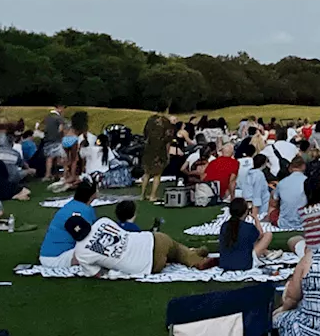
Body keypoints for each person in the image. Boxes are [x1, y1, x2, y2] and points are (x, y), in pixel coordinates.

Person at [68, 214, 212, 277]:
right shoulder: (103, 222)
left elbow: (97, 274)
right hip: (152, 240)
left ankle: (194, 255)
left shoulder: (81, 252)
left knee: (172, 255)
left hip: (149, 266)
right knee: (177, 250)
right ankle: (195, 257)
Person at [39, 180, 98, 266]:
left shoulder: (72, 205)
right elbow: (89, 237)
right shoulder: (85, 210)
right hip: (58, 258)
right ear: (92, 195)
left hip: (48, 256)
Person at [218, 197, 275, 270]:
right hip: (244, 263)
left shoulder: (224, 226)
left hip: (225, 263)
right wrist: (256, 219)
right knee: (268, 235)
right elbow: (260, 235)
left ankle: (266, 252)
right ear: (246, 211)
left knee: (251, 240)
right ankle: (266, 252)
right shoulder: (248, 227)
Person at [139, 112, 170, 204]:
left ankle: (142, 195)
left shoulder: (150, 119)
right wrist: (167, 153)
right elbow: (168, 138)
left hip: (149, 148)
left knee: (147, 172)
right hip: (160, 149)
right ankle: (153, 195)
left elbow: (145, 133)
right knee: (157, 173)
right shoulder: (166, 122)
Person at [274, 156, 308, 228]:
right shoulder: (308, 182)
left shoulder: (282, 182)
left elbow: (274, 200)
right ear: (303, 166)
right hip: (304, 222)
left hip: (284, 223)